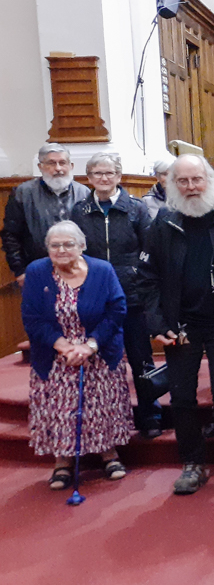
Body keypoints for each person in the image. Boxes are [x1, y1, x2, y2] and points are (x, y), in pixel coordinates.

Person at [136, 154, 214, 495]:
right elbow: (147, 277)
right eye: (183, 181)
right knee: (183, 398)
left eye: (196, 180)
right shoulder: (163, 222)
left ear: (209, 181)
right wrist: (157, 322)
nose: (190, 187)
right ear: (173, 185)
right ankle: (192, 463)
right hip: (181, 327)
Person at [21, 221, 132, 489]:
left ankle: (109, 455)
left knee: (102, 405)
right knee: (60, 410)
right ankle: (63, 462)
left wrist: (89, 346)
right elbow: (32, 317)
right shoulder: (37, 272)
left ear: (82, 246)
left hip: (98, 351)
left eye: (68, 244)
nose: (61, 250)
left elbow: (117, 310)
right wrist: (63, 346)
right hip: (56, 354)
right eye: (54, 245)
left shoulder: (102, 270)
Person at [71, 152, 162, 439]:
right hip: (95, 295)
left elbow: (149, 250)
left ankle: (150, 414)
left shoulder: (135, 208)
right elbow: (76, 251)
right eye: (97, 174)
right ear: (89, 178)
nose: (104, 178)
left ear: (119, 176)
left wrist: (137, 276)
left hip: (131, 294)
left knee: (140, 357)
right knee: (102, 360)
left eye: (109, 173)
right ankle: (111, 418)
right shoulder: (79, 211)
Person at [2, 144, 90, 286]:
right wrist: (19, 270)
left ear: (71, 165)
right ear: (40, 166)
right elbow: (10, 235)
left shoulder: (84, 193)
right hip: (36, 271)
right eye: (51, 163)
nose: (58, 169)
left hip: (77, 271)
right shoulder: (23, 193)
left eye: (62, 163)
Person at [142, 156, 175, 220]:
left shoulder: (184, 199)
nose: (169, 178)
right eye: (165, 174)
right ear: (157, 176)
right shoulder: (146, 201)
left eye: (173, 174)